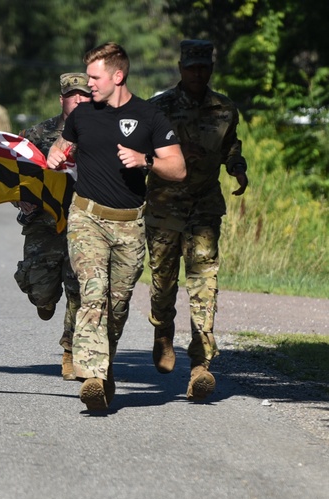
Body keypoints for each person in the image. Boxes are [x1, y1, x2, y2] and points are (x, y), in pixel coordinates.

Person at [47, 42, 186, 411]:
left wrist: (145, 160)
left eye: (94, 77)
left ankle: (103, 371)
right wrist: (56, 153)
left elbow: (178, 168)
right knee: (94, 292)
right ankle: (92, 374)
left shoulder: (150, 116)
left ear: (117, 76)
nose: (88, 84)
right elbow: (62, 145)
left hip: (129, 225)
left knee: (118, 306)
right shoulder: (83, 115)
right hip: (86, 216)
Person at [145, 40, 248, 401]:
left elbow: (230, 145)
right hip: (163, 207)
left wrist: (237, 167)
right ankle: (163, 332)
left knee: (205, 281)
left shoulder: (224, 109)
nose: (198, 73)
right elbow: (141, 150)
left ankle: (201, 366)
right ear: (180, 67)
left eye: (204, 67)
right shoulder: (158, 108)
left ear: (211, 68)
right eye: (192, 67)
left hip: (204, 207)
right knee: (162, 282)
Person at [13, 73, 91, 380]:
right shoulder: (37, 134)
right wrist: (22, 201)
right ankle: (41, 296)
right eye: (74, 96)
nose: (80, 100)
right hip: (42, 225)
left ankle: (70, 350)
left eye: (86, 95)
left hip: (82, 223)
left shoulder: (99, 133)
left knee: (78, 289)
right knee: (42, 292)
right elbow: (14, 175)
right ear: (63, 100)